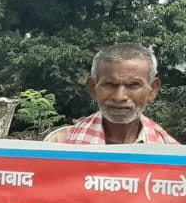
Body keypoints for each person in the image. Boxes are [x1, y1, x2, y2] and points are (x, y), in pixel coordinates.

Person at [45, 43, 179, 145]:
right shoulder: (59, 144)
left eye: (133, 85)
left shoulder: (172, 155)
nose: (119, 97)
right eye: (110, 85)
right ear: (93, 88)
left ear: (153, 90)